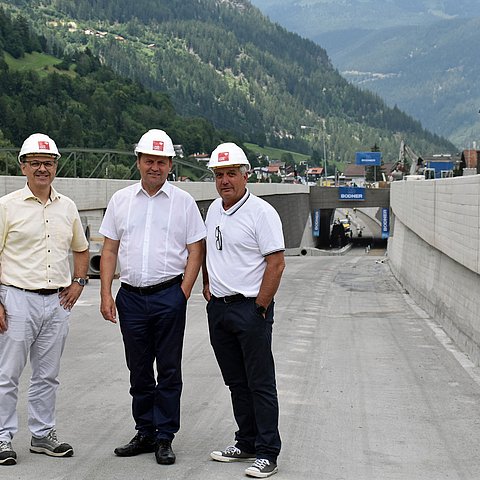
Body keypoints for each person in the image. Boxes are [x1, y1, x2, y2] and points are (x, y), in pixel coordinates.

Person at [99, 129, 205, 465]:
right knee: (139, 369)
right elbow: (110, 248)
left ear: (170, 164)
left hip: (167, 296)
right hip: (130, 298)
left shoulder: (184, 203)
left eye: (161, 161)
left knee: (169, 369)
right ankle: (145, 431)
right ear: (139, 162)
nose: (154, 167)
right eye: (149, 161)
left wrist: (183, 293)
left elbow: (195, 250)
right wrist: (106, 292)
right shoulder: (120, 201)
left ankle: (164, 436)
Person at [0, 133, 89, 466]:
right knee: (7, 374)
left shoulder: (67, 207)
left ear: (56, 166)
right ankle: (2, 437)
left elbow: (81, 248)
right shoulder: (6, 207)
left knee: (47, 375)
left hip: (55, 303)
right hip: (16, 298)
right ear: (22, 166)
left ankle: (41, 435)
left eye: (48, 163)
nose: (42, 168)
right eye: (35, 162)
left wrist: (79, 282)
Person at [202, 143, 285, 478]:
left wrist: (260, 306)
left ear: (245, 175)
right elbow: (209, 250)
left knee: (260, 382)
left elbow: (276, 264)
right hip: (219, 309)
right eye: (219, 175)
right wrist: (208, 286)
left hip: (250, 307)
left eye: (231, 174)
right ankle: (246, 441)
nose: (225, 180)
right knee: (236, 381)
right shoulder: (213, 211)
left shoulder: (262, 213)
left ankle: (267, 451)